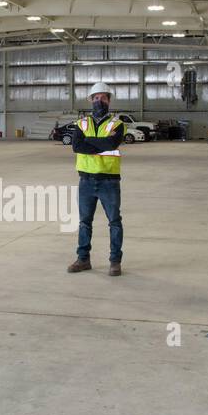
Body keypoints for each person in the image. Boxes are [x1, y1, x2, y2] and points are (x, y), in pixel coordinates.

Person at [68, 81, 124, 276]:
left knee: (114, 222)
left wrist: (89, 141)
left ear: (109, 100)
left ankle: (115, 261)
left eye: (103, 97)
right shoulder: (81, 123)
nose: (100, 100)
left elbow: (111, 143)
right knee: (84, 222)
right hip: (86, 180)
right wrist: (101, 144)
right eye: (96, 97)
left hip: (109, 181)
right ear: (91, 100)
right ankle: (83, 259)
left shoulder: (117, 124)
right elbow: (77, 146)